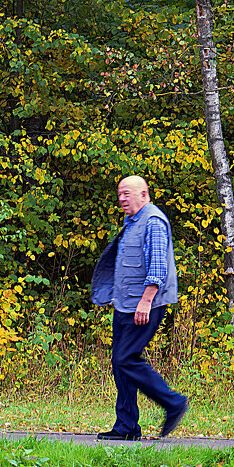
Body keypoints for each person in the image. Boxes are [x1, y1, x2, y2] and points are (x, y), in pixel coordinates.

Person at [91, 175, 190, 440]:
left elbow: (158, 268)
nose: (122, 198)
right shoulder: (132, 222)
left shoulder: (153, 222)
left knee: (126, 358)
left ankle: (173, 403)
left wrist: (145, 301)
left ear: (144, 194)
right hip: (126, 304)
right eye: (120, 193)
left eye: (127, 193)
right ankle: (126, 427)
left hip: (146, 304)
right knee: (119, 362)